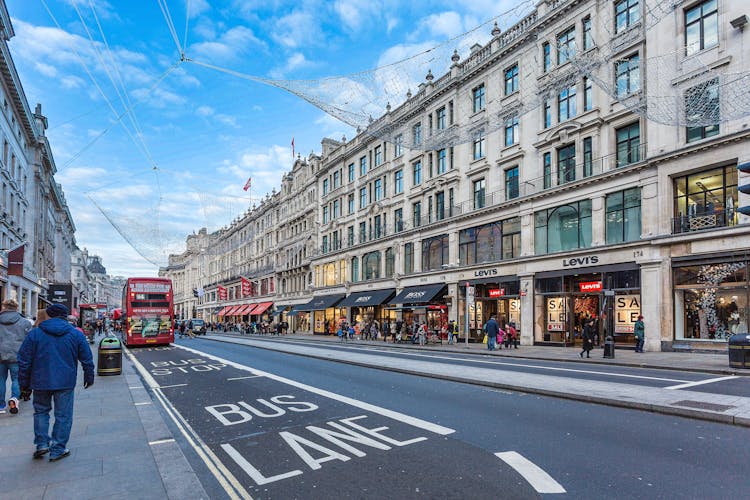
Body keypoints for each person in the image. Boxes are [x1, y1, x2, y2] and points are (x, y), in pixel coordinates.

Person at [17, 303, 95, 461]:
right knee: (63, 415)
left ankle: (42, 444)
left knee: (40, 412)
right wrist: (89, 375)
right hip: (65, 381)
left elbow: (24, 360)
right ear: (65, 316)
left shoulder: (35, 334)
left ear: (49, 315)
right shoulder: (75, 334)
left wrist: (23, 383)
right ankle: (58, 448)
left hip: (40, 380)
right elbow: (86, 357)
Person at [0, 299, 32, 415]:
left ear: (3, 307)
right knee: (16, 379)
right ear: (16, 308)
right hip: (17, 356)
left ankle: (1, 405)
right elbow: (29, 342)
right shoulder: (25, 322)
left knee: (1, 379)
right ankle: (14, 399)